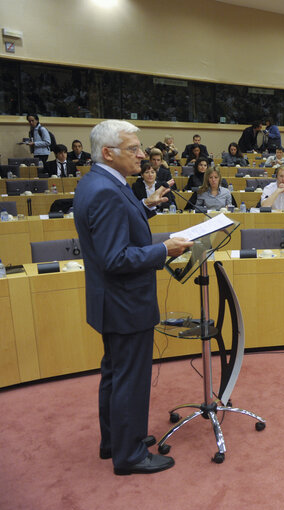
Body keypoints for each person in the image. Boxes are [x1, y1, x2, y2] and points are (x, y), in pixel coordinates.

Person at [73, 119, 192, 475]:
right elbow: (116, 258)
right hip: (125, 302)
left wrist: (147, 205)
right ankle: (130, 455)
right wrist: (164, 250)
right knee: (130, 379)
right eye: (133, 149)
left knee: (114, 373)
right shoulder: (107, 191)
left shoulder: (100, 181)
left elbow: (117, 223)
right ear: (108, 153)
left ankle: (115, 442)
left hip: (110, 301)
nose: (143, 154)